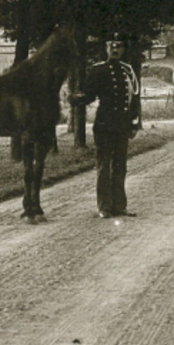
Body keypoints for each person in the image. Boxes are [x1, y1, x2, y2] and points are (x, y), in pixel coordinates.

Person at [71, 34, 141, 218]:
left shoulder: (128, 70)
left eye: (119, 47)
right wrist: (77, 99)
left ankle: (120, 206)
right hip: (104, 125)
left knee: (120, 166)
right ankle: (104, 207)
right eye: (112, 46)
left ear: (123, 50)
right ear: (106, 49)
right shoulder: (98, 70)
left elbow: (134, 99)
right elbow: (90, 95)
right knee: (104, 166)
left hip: (122, 126)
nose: (115, 50)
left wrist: (134, 123)